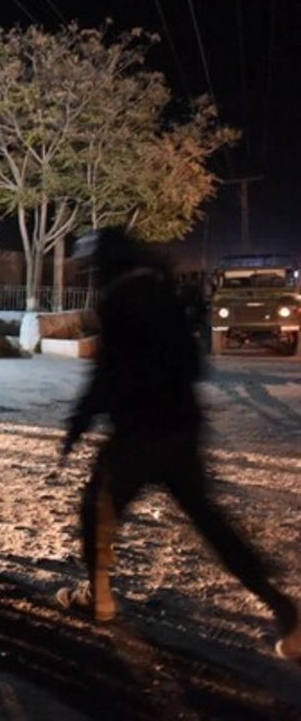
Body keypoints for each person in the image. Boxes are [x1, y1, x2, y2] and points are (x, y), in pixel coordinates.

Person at [57, 226, 300, 661]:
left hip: (138, 434)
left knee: (96, 507)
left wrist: (77, 427)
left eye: (91, 266)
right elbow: (192, 365)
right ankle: (286, 612)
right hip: (181, 430)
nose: (89, 273)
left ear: (106, 264)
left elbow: (107, 376)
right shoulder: (162, 292)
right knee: (211, 524)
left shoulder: (119, 300)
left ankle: (98, 597)